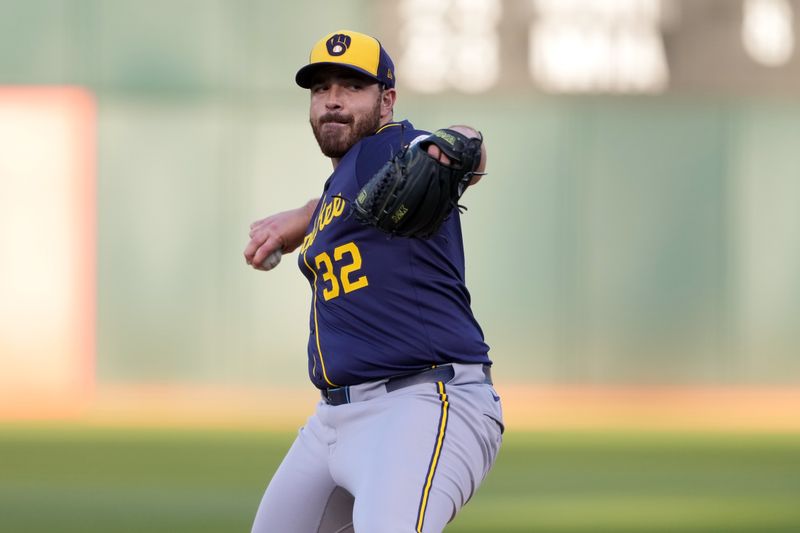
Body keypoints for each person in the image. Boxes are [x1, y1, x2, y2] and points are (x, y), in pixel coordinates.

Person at [243, 30, 503, 533]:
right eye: (321, 89)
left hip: (422, 402)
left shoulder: (394, 146)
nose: (333, 101)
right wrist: (302, 215)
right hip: (332, 420)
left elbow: (462, 145)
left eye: (351, 86)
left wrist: (458, 146)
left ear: (386, 101)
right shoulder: (344, 182)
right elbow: (346, 201)